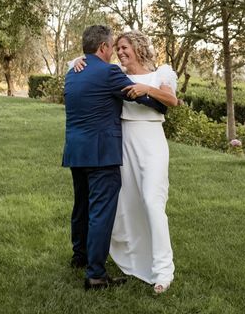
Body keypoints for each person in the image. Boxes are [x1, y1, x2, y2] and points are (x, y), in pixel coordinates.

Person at [72, 30, 179, 294]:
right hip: (123, 144)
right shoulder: (115, 74)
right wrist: (77, 60)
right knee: (126, 205)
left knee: (153, 202)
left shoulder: (160, 73)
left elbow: (172, 100)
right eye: (117, 48)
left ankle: (163, 271)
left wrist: (146, 88)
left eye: (124, 47)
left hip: (152, 143)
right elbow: (88, 66)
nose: (120, 52)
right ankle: (132, 262)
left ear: (138, 47)